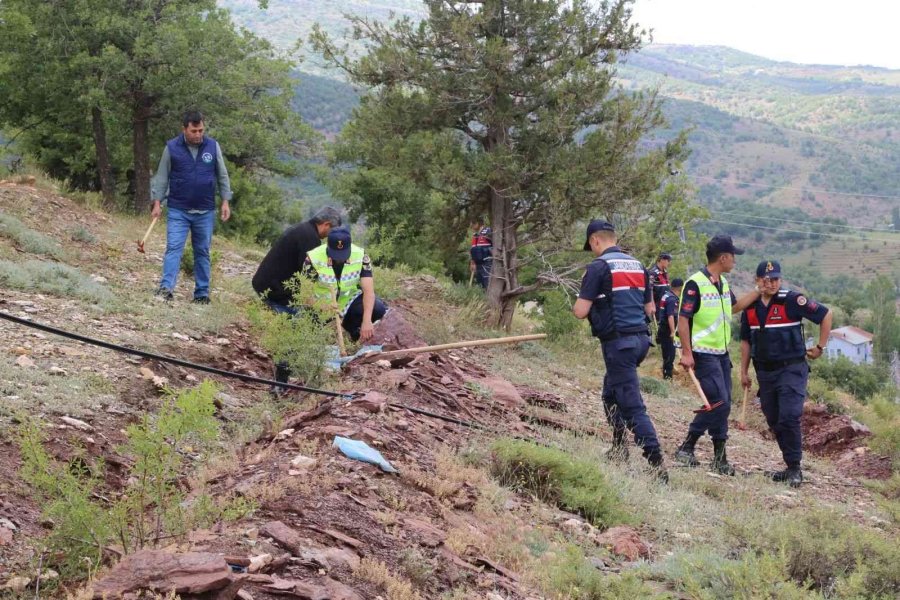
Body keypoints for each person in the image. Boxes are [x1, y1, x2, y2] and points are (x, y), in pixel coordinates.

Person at [572, 220, 668, 482]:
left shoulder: (598, 267)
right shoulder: (638, 265)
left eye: (590, 246)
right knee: (610, 394)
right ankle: (618, 448)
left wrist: (589, 293)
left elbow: (580, 311)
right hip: (639, 343)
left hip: (619, 344)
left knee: (632, 405)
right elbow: (650, 309)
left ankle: (656, 464)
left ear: (595, 241)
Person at [740, 260, 832, 488]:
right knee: (774, 419)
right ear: (757, 280)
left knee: (789, 416)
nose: (771, 283)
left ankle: (794, 468)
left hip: (791, 369)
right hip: (764, 372)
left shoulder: (792, 300)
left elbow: (825, 315)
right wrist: (743, 371)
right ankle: (788, 464)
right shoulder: (750, 307)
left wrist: (820, 347)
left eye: (776, 279)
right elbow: (745, 341)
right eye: (766, 279)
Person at [673, 235, 761, 475]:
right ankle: (690, 447)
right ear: (723, 258)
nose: (735, 261)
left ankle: (717, 458)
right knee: (719, 403)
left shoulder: (721, 282)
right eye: (733, 256)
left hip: (721, 354)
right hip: (703, 354)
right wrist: (687, 353)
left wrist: (757, 291)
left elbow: (733, 307)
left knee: (723, 403)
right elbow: (683, 318)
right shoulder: (695, 283)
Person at [151, 110, 232, 304]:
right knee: (173, 248)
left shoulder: (213, 146)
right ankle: (166, 288)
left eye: (201, 130)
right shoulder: (171, 147)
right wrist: (157, 202)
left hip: (205, 211)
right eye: (194, 131)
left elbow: (222, 175)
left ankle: (202, 294)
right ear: (184, 129)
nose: (198, 135)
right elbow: (162, 177)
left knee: (202, 251)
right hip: (178, 209)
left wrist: (225, 200)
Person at [252, 206, 343, 314]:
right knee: (311, 320)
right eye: (332, 231)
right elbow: (309, 276)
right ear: (326, 225)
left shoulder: (302, 229)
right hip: (274, 292)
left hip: (262, 283)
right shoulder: (310, 239)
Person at [303, 227, 387, 343]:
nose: (340, 259)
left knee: (377, 309)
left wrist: (366, 321)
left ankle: (352, 333)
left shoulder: (361, 256)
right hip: (321, 306)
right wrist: (323, 307)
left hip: (348, 301)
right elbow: (305, 296)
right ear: (327, 246)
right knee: (306, 331)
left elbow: (368, 291)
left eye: (343, 254)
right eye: (335, 254)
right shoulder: (312, 259)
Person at [657, 278, 683, 380]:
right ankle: (667, 378)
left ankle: (667, 373)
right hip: (667, 330)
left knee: (667, 354)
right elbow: (670, 316)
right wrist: (673, 332)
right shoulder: (672, 299)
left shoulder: (666, 295)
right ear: (680, 287)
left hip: (663, 329)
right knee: (669, 355)